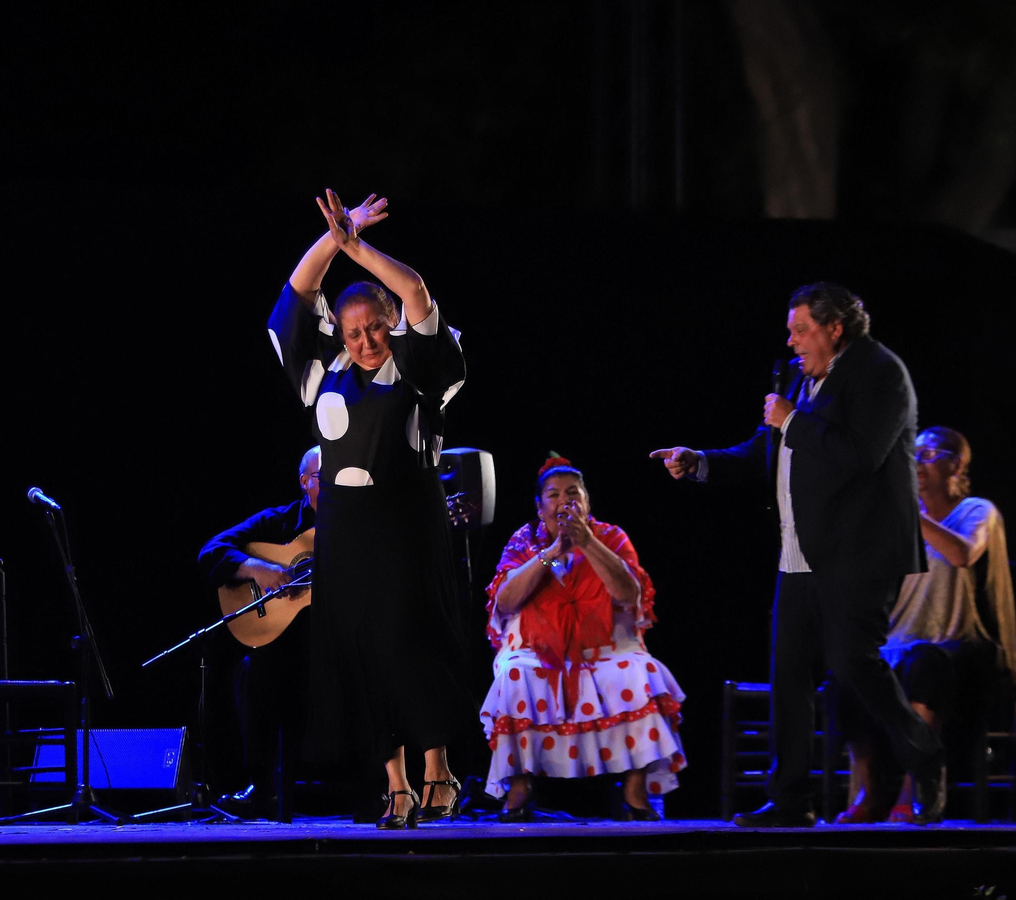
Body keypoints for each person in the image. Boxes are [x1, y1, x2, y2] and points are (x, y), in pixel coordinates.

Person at [650, 282, 945, 827]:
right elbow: (769, 447)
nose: (791, 341)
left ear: (835, 328)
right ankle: (791, 801)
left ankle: (924, 756)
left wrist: (791, 419)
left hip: (858, 550)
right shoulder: (798, 378)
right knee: (789, 675)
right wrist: (702, 461)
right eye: (790, 331)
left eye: (801, 330)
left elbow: (863, 453)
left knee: (853, 663)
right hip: (799, 552)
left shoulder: (880, 372)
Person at [267, 189, 471, 829]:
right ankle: (397, 787)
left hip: (407, 522)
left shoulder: (416, 363)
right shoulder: (323, 370)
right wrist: (334, 238)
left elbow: (415, 292)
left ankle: (438, 770)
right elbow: (296, 296)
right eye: (353, 331)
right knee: (362, 651)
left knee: (411, 642)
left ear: (391, 322)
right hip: (346, 530)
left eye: (375, 327)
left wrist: (358, 248)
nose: (364, 340)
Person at [481, 455, 687, 822]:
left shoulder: (611, 537)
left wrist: (587, 543)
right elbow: (506, 601)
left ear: (587, 501)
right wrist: (552, 553)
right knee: (516, 674)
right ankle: (520, 787)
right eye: (554, 494)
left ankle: (635, 789)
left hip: (605, 646)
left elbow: (629, 593)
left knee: (640, 670)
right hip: (537, 649)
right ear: (540, 506)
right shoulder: (525, 540)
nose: (564, 501)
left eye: (573, 493)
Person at [834, 426, 1016, 823]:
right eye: (913, 454)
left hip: (962, 643)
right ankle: (870, 792)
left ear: (957, 464)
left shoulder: (976, 511)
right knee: (846, 670)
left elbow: (961, 554)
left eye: (929, 454)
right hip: (899, 642)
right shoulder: (897, 520)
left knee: (926, 663)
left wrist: (907, 514)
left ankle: (915, 789)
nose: (917, 462)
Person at [196, 445, 321, 821]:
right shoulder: (278, 522)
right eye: (323, 477)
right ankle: (262, 786)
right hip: (286, 643)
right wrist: (257, 568)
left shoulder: (355, 525)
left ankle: (378, 786)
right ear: (304, 482)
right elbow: (212, 550)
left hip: (335, 640)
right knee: (252, 670)